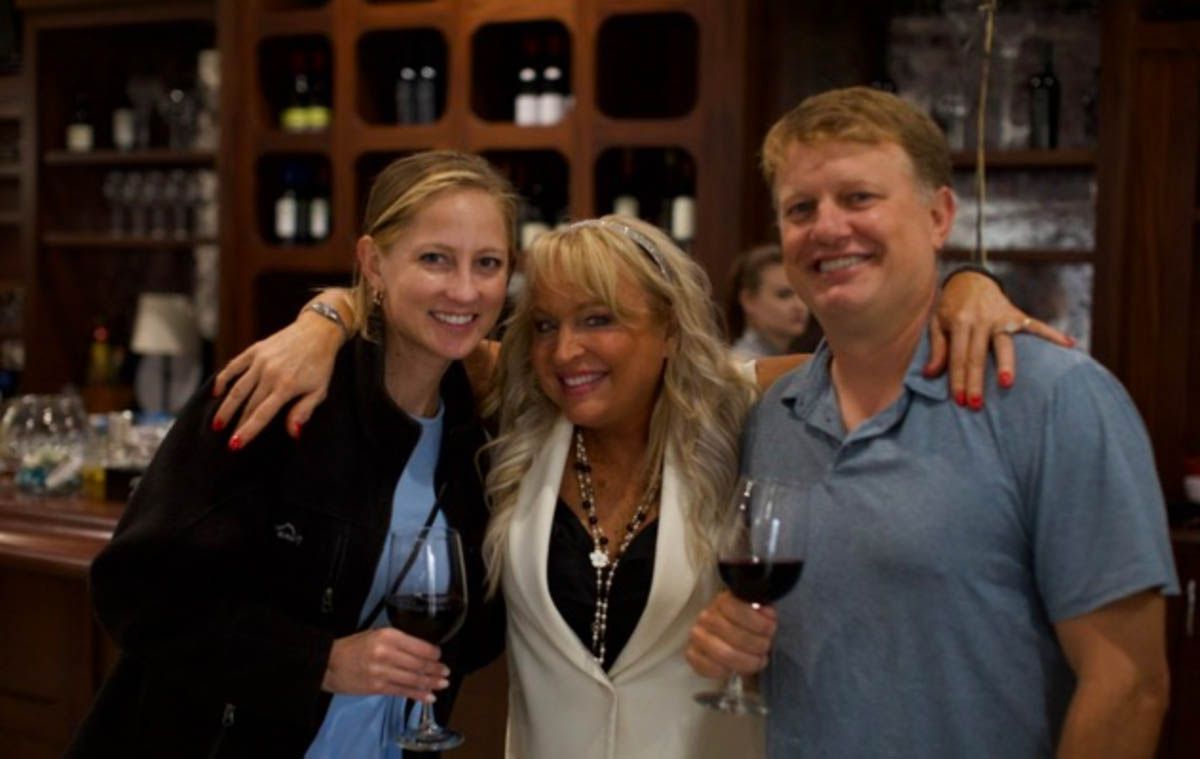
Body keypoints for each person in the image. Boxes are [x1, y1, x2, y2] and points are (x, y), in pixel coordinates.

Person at [685, 86, 1178, 759]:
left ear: (939, 215)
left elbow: (1129, 683)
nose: (828, 227)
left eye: (859, 198)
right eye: (801, 208)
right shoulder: (775, 414)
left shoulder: (1057, 398)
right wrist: (735, 640)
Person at [68, 151, 513, 757]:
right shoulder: (280, 394)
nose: (465, 289)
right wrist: (320, 663)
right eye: (434, 258)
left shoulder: (485, 431)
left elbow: (478, 631)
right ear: (373, 263)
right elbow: (135, 590)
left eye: (487, 263)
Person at [726, 243, 819, 358]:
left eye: (802, 294)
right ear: (748, 301)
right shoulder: (741, 364)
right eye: (784, 295)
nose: (799, 305)